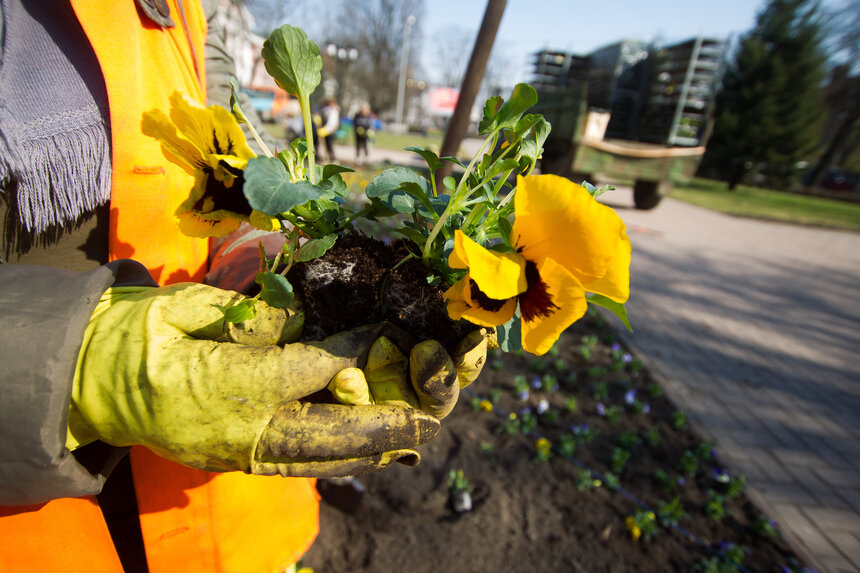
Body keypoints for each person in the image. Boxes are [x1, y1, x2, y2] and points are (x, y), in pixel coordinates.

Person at [0, 2, 487, 572]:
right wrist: (76, 369)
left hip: (226, 506)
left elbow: (248, 186)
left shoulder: (183, 8)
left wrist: (271, 268)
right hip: (38, 523)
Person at [314, 97, 340, 163]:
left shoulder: (333, 110)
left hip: (329, 130)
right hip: (322, 129)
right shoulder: (323, 109)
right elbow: (317, 114)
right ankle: (318, 156)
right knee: (316, 143)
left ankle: (332, 158)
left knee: (329, 144)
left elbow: (332, 122)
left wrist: (326, 129)